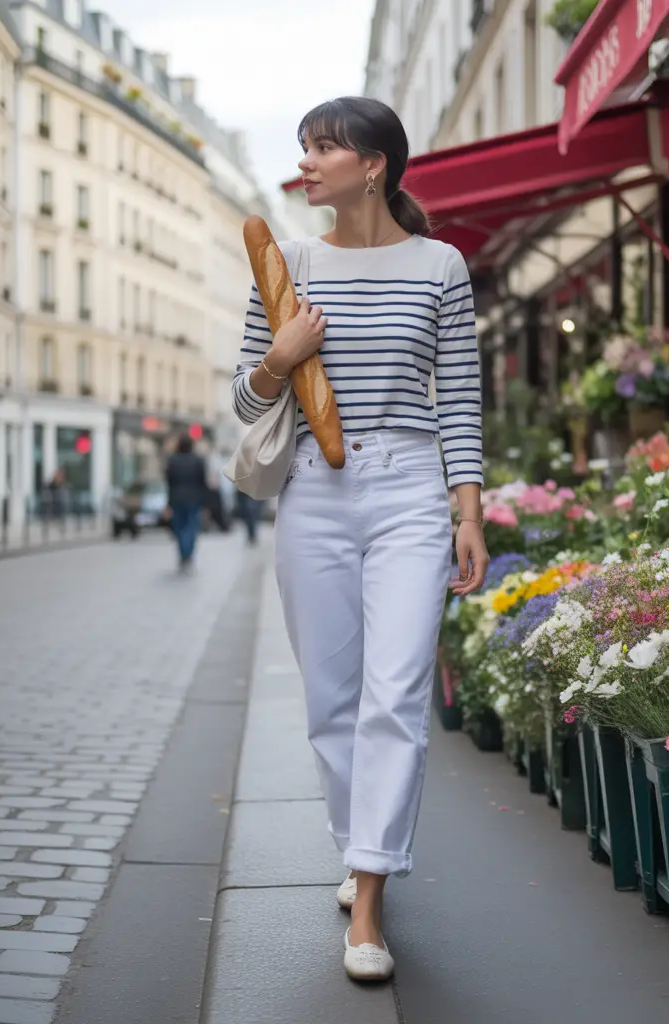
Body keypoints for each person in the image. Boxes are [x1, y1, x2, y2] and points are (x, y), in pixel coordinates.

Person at [231, 96, 489, 981]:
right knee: (331, 702)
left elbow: (457, 395)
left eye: (322, 148)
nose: (305, 162)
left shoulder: (440, 265)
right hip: (314, 492)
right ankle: (359, 845)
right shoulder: (287, 263)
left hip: (412, 491)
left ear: (374, 163)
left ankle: (370, 898)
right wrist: (281, 351)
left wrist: (469, 513)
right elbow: (245, 398)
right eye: (302, 147)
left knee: (396, 694)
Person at [164, 433, 207, 569]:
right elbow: (202, 481)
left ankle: (183, 553)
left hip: (177, 499)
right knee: (191, 527)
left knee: (179, 527)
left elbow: (169, 482)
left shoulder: (172, 460)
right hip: (194, 499)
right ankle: (187, 553)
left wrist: (168, 502)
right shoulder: (198, 460)